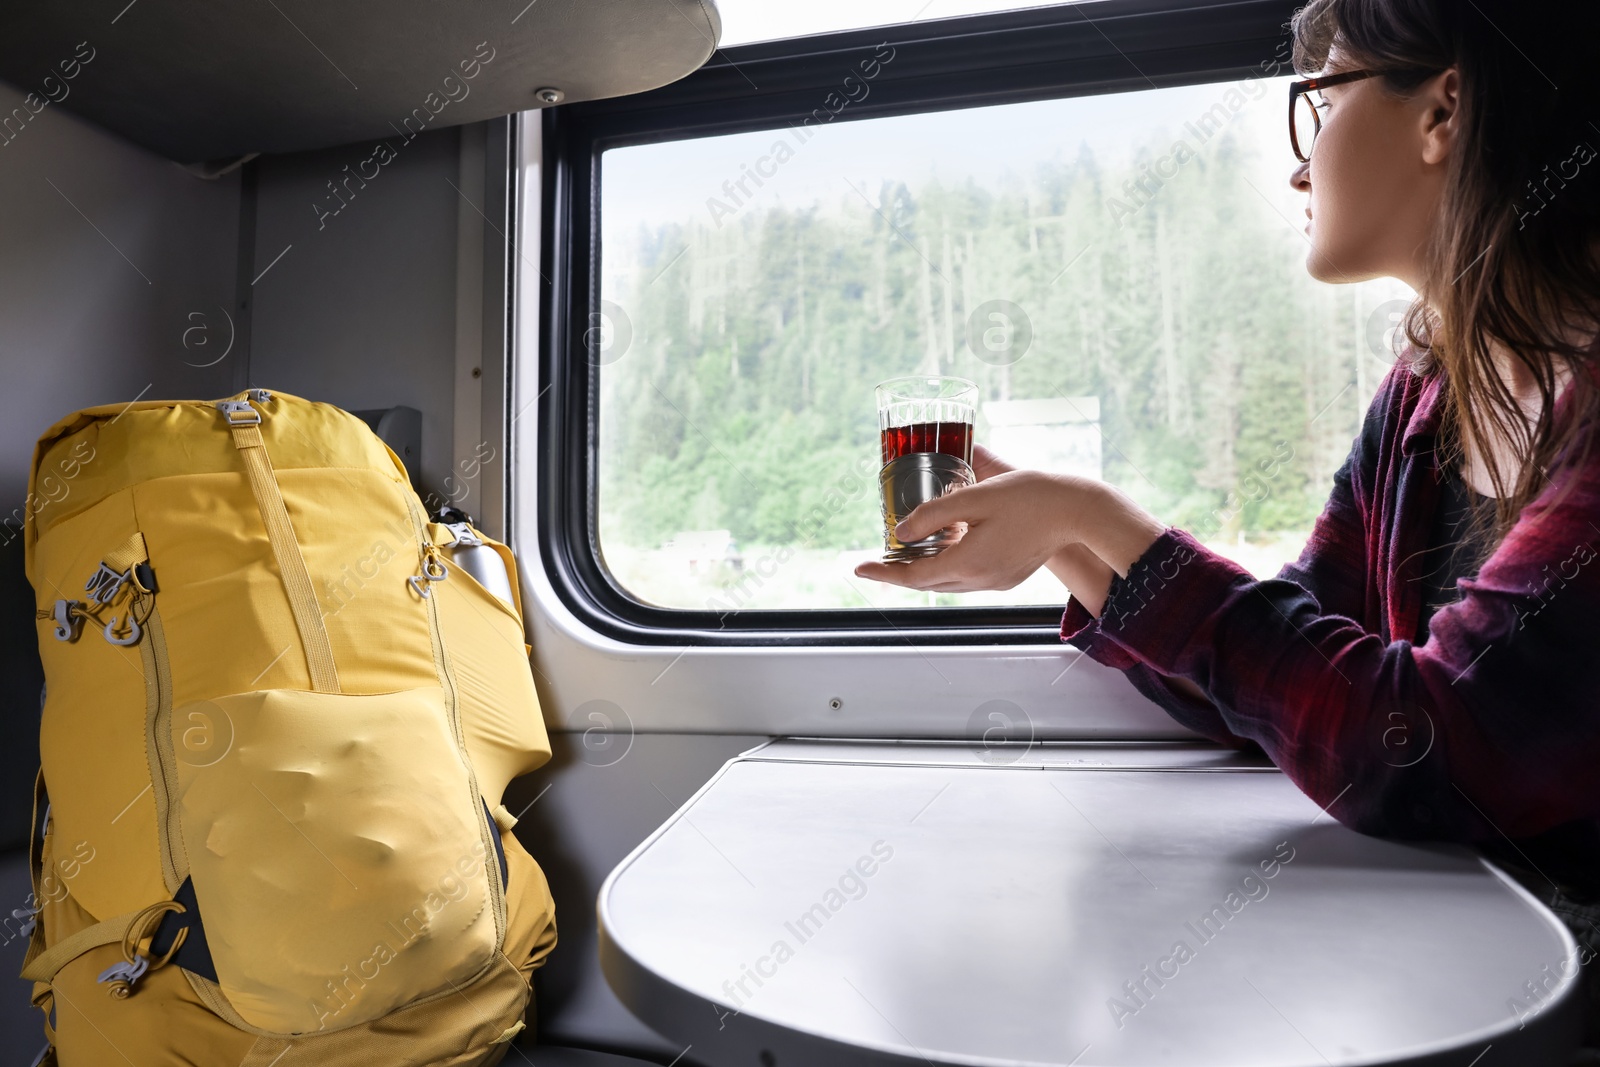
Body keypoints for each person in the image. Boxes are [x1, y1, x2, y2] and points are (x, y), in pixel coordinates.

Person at [855, 0, 1600, 1053]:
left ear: (1444, 110)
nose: (1297, 171)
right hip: (1458, 936)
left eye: (1320, 103)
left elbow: (1409, 745)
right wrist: (1060, 542)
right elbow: (1284, 684)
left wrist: (1092, 514)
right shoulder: (1426, 397)